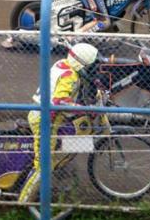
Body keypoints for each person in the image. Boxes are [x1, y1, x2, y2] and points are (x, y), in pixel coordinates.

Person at [18, 43, 99, 203]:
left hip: (43, 113)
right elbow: (60, 101)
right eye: (89, 66)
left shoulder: (63, 64)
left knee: (61, 144)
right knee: (44, 165)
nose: (91, 69)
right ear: (80, 64)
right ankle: (24, 200)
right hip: (45, 120)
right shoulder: (71, 76)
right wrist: (83, 109)